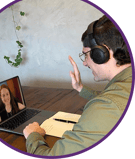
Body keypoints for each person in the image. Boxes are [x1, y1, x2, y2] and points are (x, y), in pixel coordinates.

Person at [23, 15, 132, 156]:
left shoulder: (107, 106)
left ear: (101, 53)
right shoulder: (124, 87)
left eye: (85, 55)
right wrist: (81, 88)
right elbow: (115, 100)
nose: (85, 63)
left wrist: (33, 135)